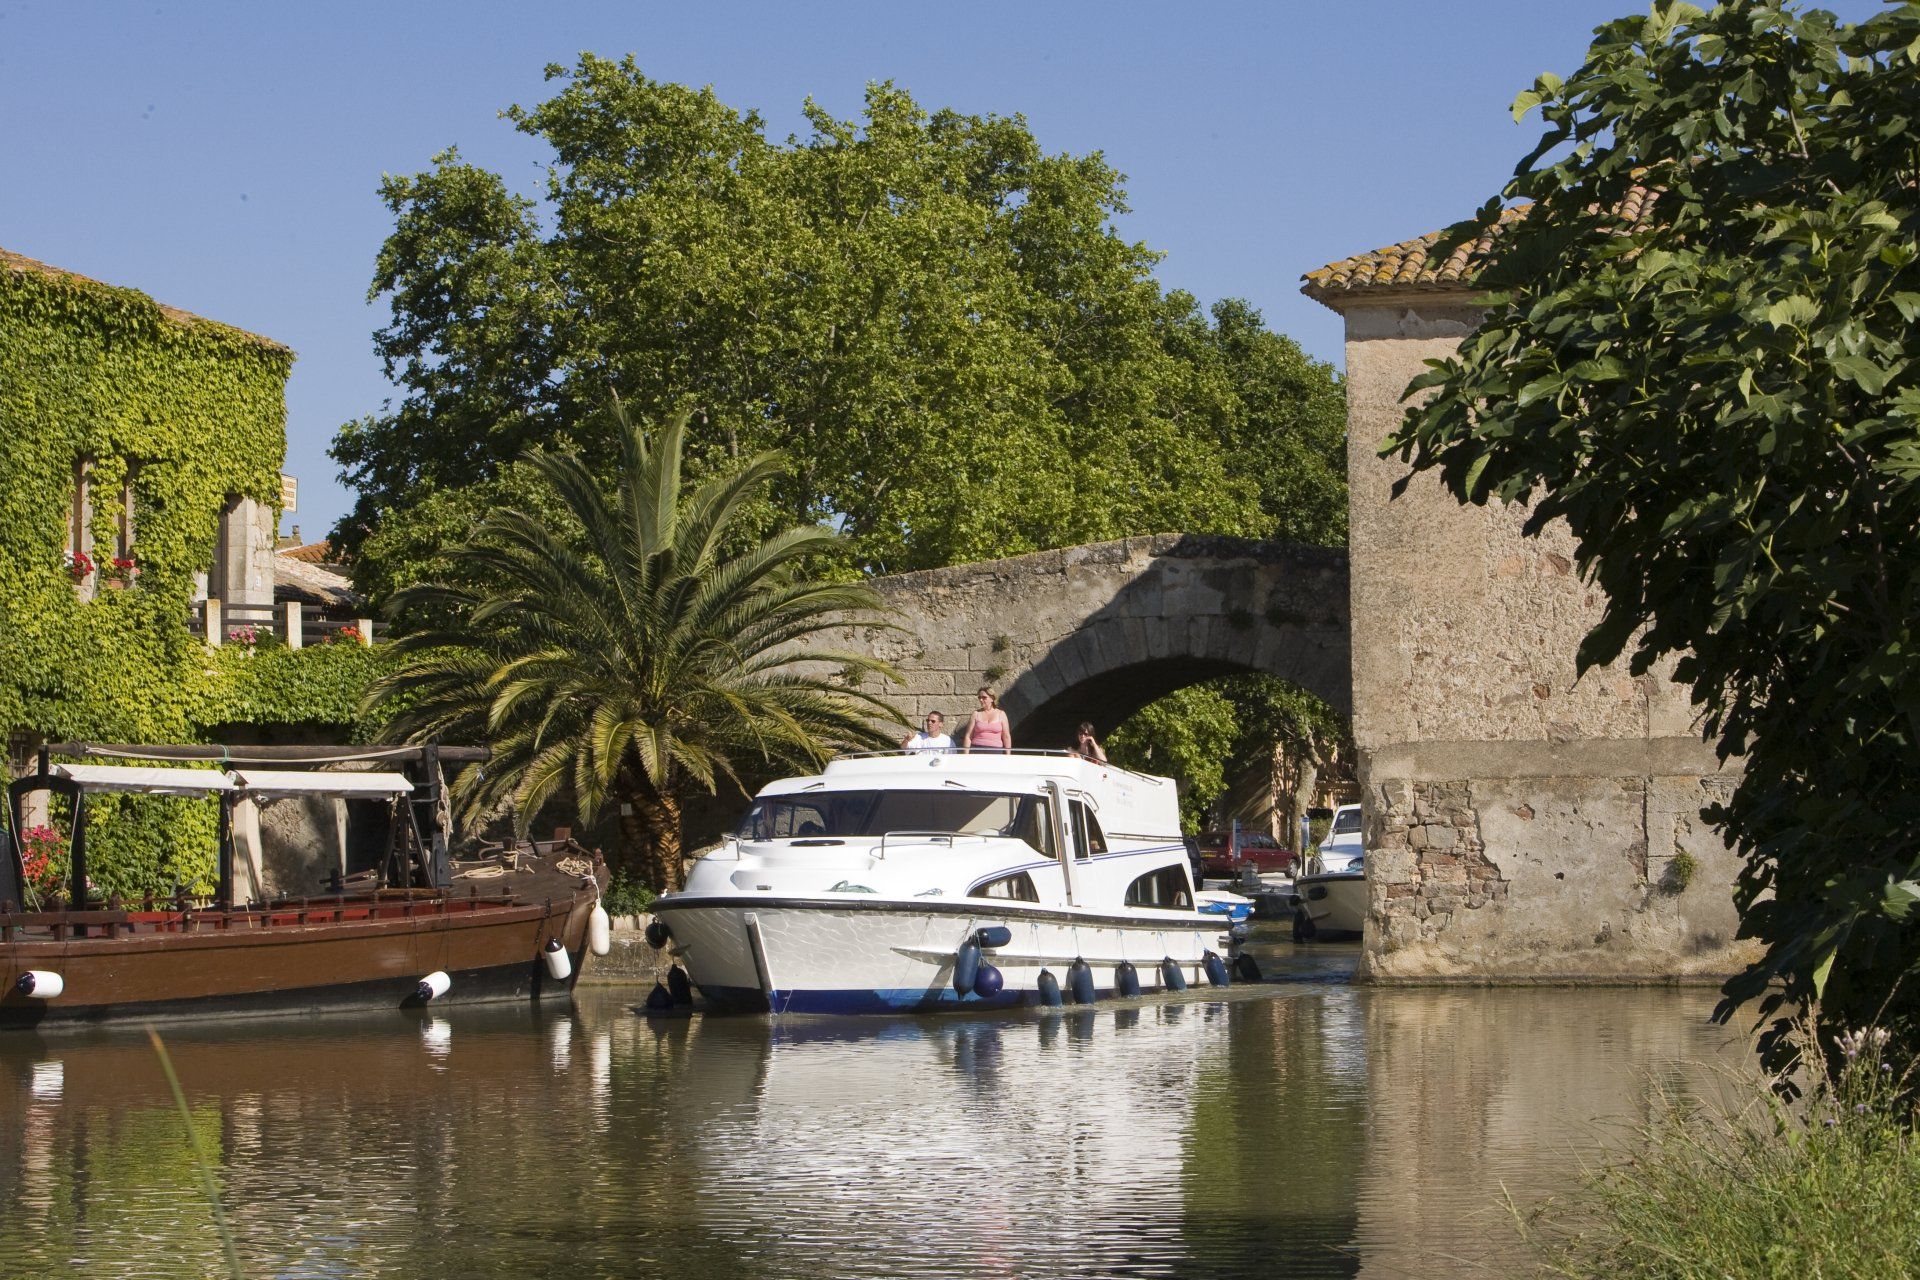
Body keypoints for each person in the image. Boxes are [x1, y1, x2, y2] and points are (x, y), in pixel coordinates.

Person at [963, 687, 1012, 753]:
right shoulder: (976, 714)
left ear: (992, 698)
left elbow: (1006, 736)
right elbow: (968, 736)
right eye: (979, 697)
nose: (981, 700)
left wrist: (1008, 756)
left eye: (984, 697)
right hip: (976, 749)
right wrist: (965, 755)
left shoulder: (1001, 714)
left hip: (995, 750)